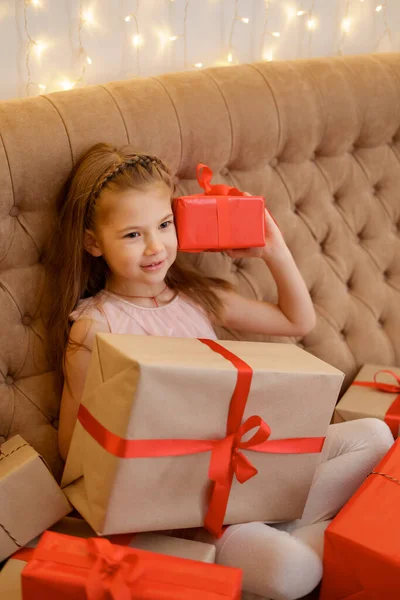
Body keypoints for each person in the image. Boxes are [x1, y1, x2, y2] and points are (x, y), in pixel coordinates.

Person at [45, 143, 393, 600]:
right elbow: (74, 448)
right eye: (132, 235)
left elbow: (297, 321)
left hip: (252, 469)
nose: (155, 247)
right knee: (293, 573)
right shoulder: (95, 328)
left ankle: (285, 521)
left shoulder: (197, 296)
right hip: (187, 506)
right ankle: (304, 533)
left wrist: (273, 249)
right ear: (94, 242)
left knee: (375, 437)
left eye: (164, 225)